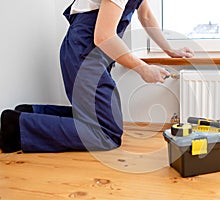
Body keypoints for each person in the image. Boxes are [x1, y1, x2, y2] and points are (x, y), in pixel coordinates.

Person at [0, 0, 194, 153]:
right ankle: (17, 127)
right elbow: (104, 36)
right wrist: (143, 68)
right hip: (83, 53)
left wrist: (170, 50)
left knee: (105, 125)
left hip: (88, 54)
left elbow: (146, 15)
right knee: (107, 134)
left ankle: (31, 114)